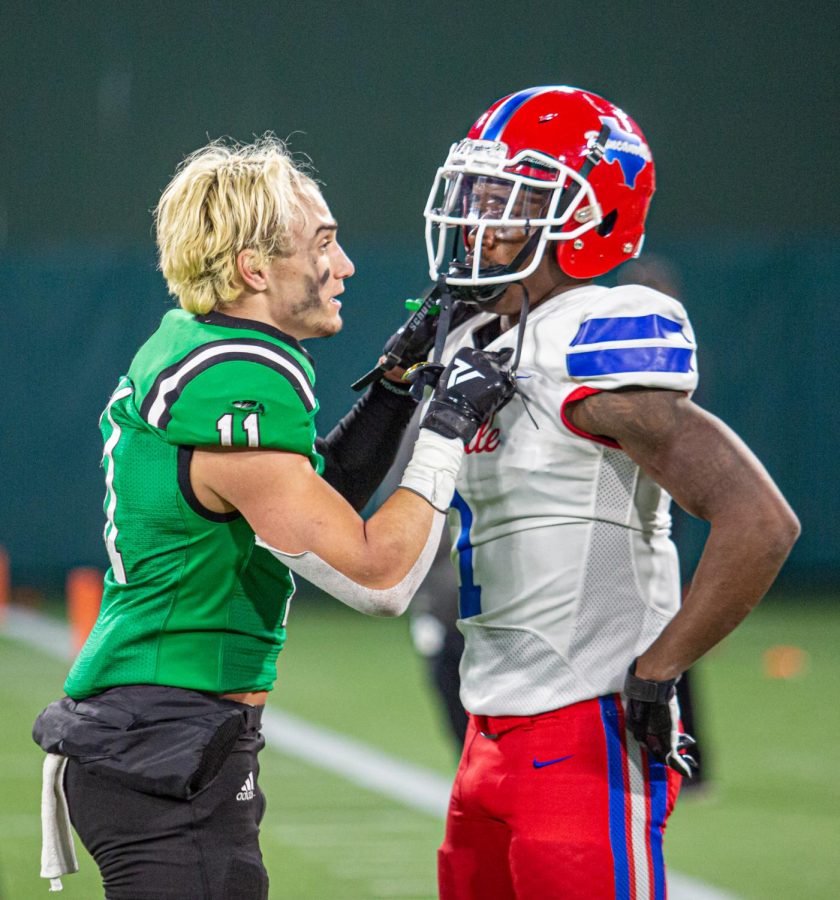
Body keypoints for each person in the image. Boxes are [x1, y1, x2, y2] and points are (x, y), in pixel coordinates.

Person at [31, 136, 516, 899]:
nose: (345, 265)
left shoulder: (209, 345)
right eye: (323, 243)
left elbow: (310, 498)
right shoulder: (235, 380)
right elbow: (379, 576)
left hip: (169, 738)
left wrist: (395, 387)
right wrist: (447, 426)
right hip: (161, 744)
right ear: (255, 270)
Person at [418, 86, 800, 899]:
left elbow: (760, 520)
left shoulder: (592, 335)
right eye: (477, 194)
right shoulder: (481, 333)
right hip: (488, 729)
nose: (478, 220)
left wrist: (659, 672)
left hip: (581, 732)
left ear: (587, 220)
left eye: (509, 200)